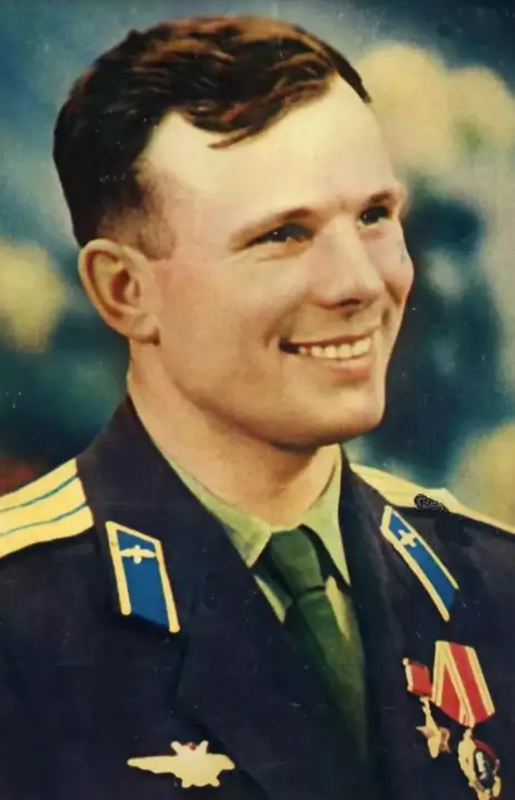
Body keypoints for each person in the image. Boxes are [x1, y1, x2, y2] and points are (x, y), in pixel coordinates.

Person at [0, 15, 514, 800]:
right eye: (282, 234)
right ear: (125, 291)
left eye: (374, 216)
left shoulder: (492, 586)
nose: (359, 282)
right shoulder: (20, 620)